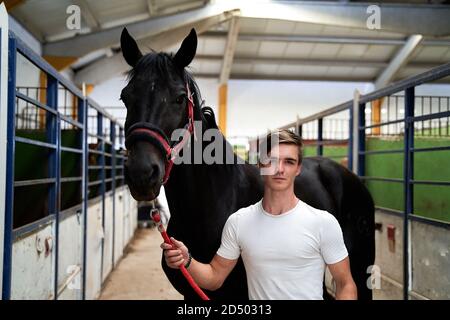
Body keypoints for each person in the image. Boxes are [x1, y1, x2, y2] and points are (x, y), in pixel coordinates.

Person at [161, 129, 357, 300]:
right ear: (260, 165)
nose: (280, 169)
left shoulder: (323, 222)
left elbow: (345, 284)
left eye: (289, 162)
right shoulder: (239, 222)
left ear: (298, 169)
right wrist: (186, 260)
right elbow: (214, 278)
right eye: (272, 161)